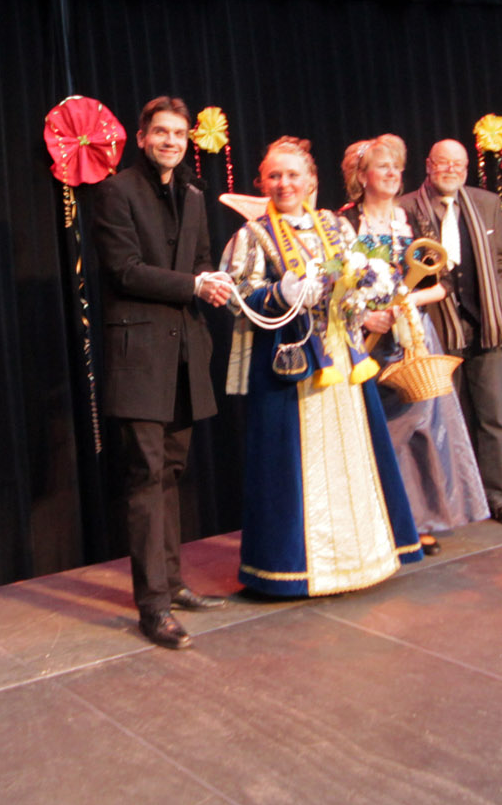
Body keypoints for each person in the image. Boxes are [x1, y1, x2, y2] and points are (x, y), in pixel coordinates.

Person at [221, 136, 422, 598]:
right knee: (289, 468)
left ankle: (358, 559)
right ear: (261, 182)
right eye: (274, 176)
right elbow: (236, 296)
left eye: (293, 175)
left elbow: (358, 278)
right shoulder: (252, 235)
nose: (284, 183)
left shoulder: (335, 225)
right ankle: (292, 568)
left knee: (353, 457)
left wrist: (366, 300)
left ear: (311, 180)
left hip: (342, 361)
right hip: (287, 367)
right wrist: (282, 293)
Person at [91, 96, 234, 649]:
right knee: (147, 476)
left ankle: (172, 584)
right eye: (162, 132)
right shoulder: (116, 191)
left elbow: (199, 259)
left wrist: (211, 282)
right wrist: (194, 285)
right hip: (140, 359)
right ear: (142, 137)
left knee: (171, 472)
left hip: (184, 356)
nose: (171, 141)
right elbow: (124, 270)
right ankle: (152, 606)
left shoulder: (193, 194)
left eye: (179, 133)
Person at [339, 136, 489, 555]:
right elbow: (334, 285)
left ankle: (420, 520)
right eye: (382, 166)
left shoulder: (411, 221)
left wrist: (406, 301)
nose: (392, 174)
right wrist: (365, 315)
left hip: (412, 338)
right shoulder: (345, 223)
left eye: (396, 167)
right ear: (361, 176)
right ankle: (381, 522)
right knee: (377, 429)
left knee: (421, 426)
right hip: (367, 341)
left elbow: (442, 285)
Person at [400, 139, 502, 527]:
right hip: (435, 332)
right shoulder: (406, 209)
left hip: (485, 326)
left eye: (458, 164)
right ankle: (447, 503)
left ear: (467, 168)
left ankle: (497, 497)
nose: (451, 170)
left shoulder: (486, 203)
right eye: (443, 163)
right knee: (439, 424)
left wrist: (501, 302)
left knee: (494, 419)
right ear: (428, 165)